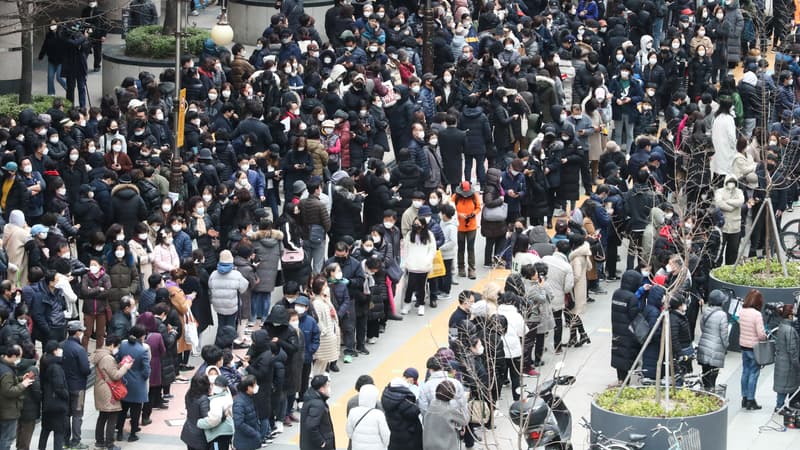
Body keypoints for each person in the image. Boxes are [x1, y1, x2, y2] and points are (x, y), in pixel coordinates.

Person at [90, 335, 133, 450]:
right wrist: (126, 367)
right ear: (113, 345)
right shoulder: (107, 358)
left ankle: (99, 442)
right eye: (117, 346)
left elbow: (109, 370)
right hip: (107, 391)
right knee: (112, 416)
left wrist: (119, 365)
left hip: (101, 388)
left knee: (103, 416)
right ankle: (109, 444)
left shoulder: (99, 354)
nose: (117, 349)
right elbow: (115, 375)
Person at [115, 325, 151, 442]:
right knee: (136, 410)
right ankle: (132, 434)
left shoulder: (123, 345)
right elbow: (146, 370)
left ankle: (119, 432)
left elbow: (117, 359)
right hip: (137, 384)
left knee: (122, 409)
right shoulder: (142, 350)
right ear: (141, 336)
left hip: (124, 380)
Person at [610, 270, 644, 384]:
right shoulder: (632, 298)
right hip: (628, 331)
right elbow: (633, 315)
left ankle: (621, 379)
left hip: (617, 328)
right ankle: (625, 381)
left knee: (618, 353)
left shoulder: (616, 293)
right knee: (627, 354)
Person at [208, 250, 249, 342]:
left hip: (218, 305)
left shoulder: (213, 274)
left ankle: (218, 344)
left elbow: (210, 286)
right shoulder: (236, 274)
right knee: (230, 326)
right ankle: (228, 346)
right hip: (231, 305)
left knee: (221, 324)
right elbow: (243, 287)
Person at [61, 321, 91, 449]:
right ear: (78, 332)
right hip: (78, 388)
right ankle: (76, 441)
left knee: (66, 415)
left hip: (64, 386)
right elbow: (85, 369)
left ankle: (65, 441)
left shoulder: (60, 346)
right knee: (77, 415)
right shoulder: (79, 349)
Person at [401, 216, 437, 316]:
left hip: (423, 266)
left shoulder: (429, 235)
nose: (416, 225)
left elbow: (432, 250)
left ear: (423, 225)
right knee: (410, 286)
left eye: (418, 223)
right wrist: (406, 262)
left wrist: (428, 260)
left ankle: (421, 305)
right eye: (415, 223)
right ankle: (407, 304)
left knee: (421, 287)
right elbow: (406, 249)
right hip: (412, 266)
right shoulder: (409, 234)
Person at [739, 289, 767, 410]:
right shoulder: (757, 315)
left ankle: (744, 398)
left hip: (743, 345)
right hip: (754, 348)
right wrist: (765, 336)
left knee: (745, 371)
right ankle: (751, 400)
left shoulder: (742, 311)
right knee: (754, 373)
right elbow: (761, 334)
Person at [38, 340, 69, 450]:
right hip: (57, 405)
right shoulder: (55, 367)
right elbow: (59, 387)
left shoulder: (44, 362)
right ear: (55, 351)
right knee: (59, 433)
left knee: (45, 431)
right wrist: (66, 395)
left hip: (47, 403)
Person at [697, 290, 730, 391]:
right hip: (716, 349)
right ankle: (710, 395)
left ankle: (705, 393)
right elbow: (724, 335)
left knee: (705, 373)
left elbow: (702, 326)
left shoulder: (706, 311)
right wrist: (726, 346)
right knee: (713, 375)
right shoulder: (722, 315)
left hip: (704, 346)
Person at [422, 380, 468, 450]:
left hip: (428, 444)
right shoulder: (450, 409)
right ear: (452, 395)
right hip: (445, 445)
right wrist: (463, 402)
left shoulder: (432, 404)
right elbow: (465, 420)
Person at [345, 384, 391, 450]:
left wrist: (357, 439)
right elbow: (386, 435)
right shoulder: (378, 414)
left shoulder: (353, 412)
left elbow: (349, 432)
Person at [773, 304, 800, 412]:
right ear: (789, 316)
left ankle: (780, 406)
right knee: (784, 386)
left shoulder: (781, 326)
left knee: (782, 386)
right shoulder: (790, 330)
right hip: (787, 364)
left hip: (781, 361)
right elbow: (792, 350)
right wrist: (797, 364)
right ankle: (779, 407)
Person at [300, 375, 335, 450]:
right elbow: (311, 426)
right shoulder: (318, 405)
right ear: (322, 389)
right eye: (327, 386)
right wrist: (321, 442)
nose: (329, 389)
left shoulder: (310, 399)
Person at [181, 374, 210, 450]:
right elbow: (206, 418)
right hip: (200, 435)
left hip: (188, 430)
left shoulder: (189, 394)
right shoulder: (203, 399)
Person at [232, 375, 261, 450]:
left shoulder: (249, 397)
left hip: (250, 438)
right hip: (244, 441)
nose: (256, 386)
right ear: (248, 388)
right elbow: (239, 423)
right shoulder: (239, 402)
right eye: (254, 385)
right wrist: (254, 433)